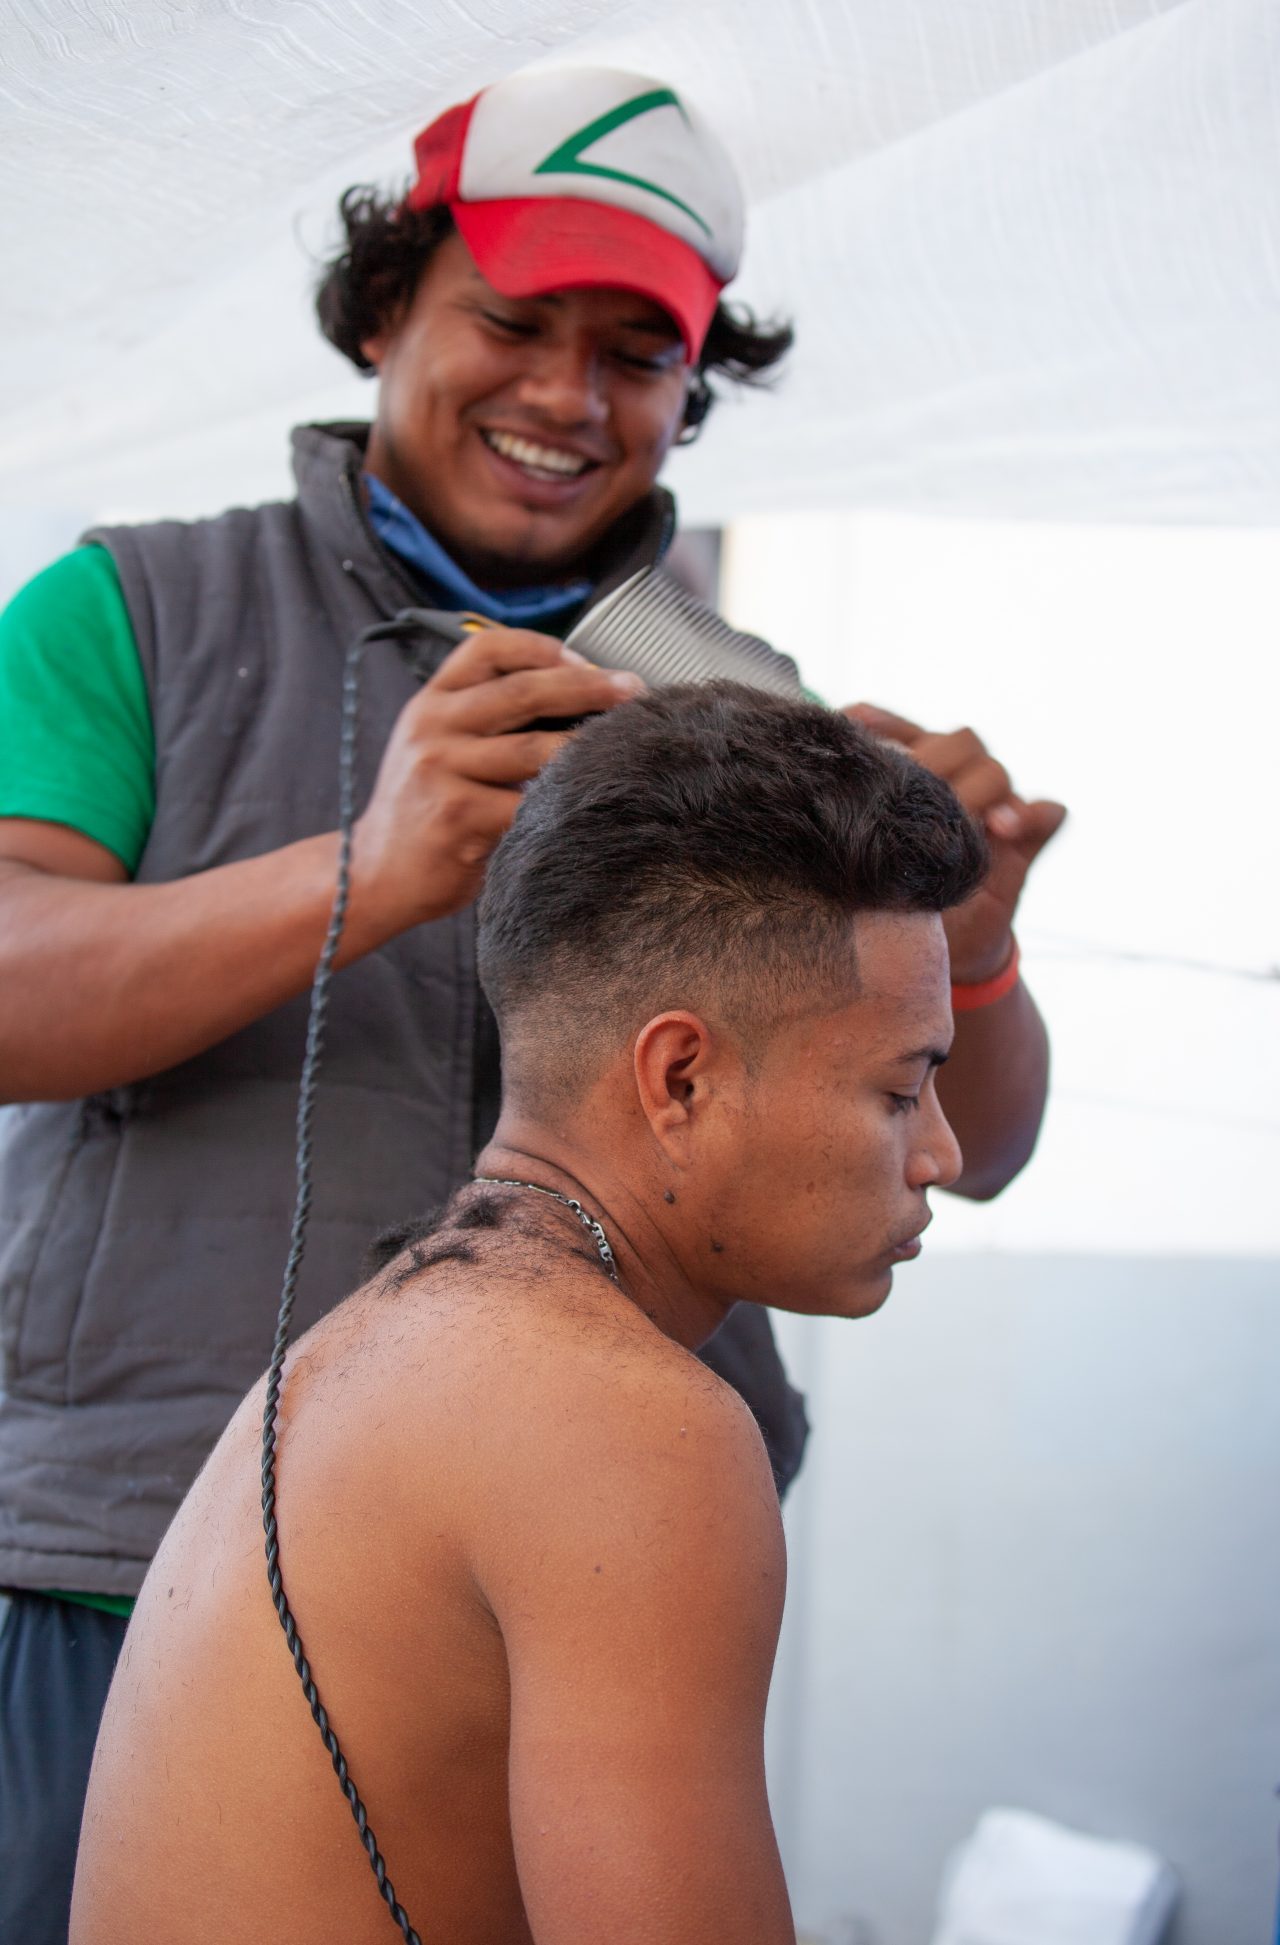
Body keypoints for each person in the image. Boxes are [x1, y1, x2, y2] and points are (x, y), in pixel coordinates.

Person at [0, 63, 1064, 1941]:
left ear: (690, 390)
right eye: (513, 320)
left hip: (560, 1584)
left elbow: (973, 1145)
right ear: (385, 307)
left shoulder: (747, 695)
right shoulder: (126, 611)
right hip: (119, 1572)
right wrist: (367, 875)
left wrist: (967, 940)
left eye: (637, 352)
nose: (570, 398)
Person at [70, 683, 987, 1945]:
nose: (938, 1152)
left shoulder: (392, 1333)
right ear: (681, 1075)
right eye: (900, 1089)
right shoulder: (621, 1425)